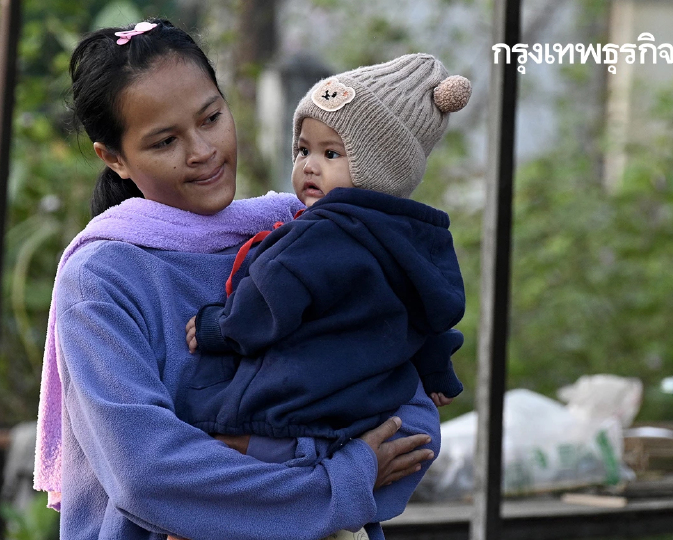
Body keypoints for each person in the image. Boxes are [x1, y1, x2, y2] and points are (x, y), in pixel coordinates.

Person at [34, 19, 436, 540]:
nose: (202, 150)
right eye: (164, 141)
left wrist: (244, 465)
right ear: (115, 158)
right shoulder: (103, 280)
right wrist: (341, 478)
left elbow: (411, 424)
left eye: (211, 118)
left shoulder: (307, 233)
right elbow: (149, 476)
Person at [179, 53, 470, 520]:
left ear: (382, 169)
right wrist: (437, 373)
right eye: (303, 150)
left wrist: (218, 326)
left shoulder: (320, 233)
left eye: (331, 154)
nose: (310, 166)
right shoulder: (418, 241)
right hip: (360, 417)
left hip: (286, 407)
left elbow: (271, 297)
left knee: (205, 449)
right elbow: (430, 316)